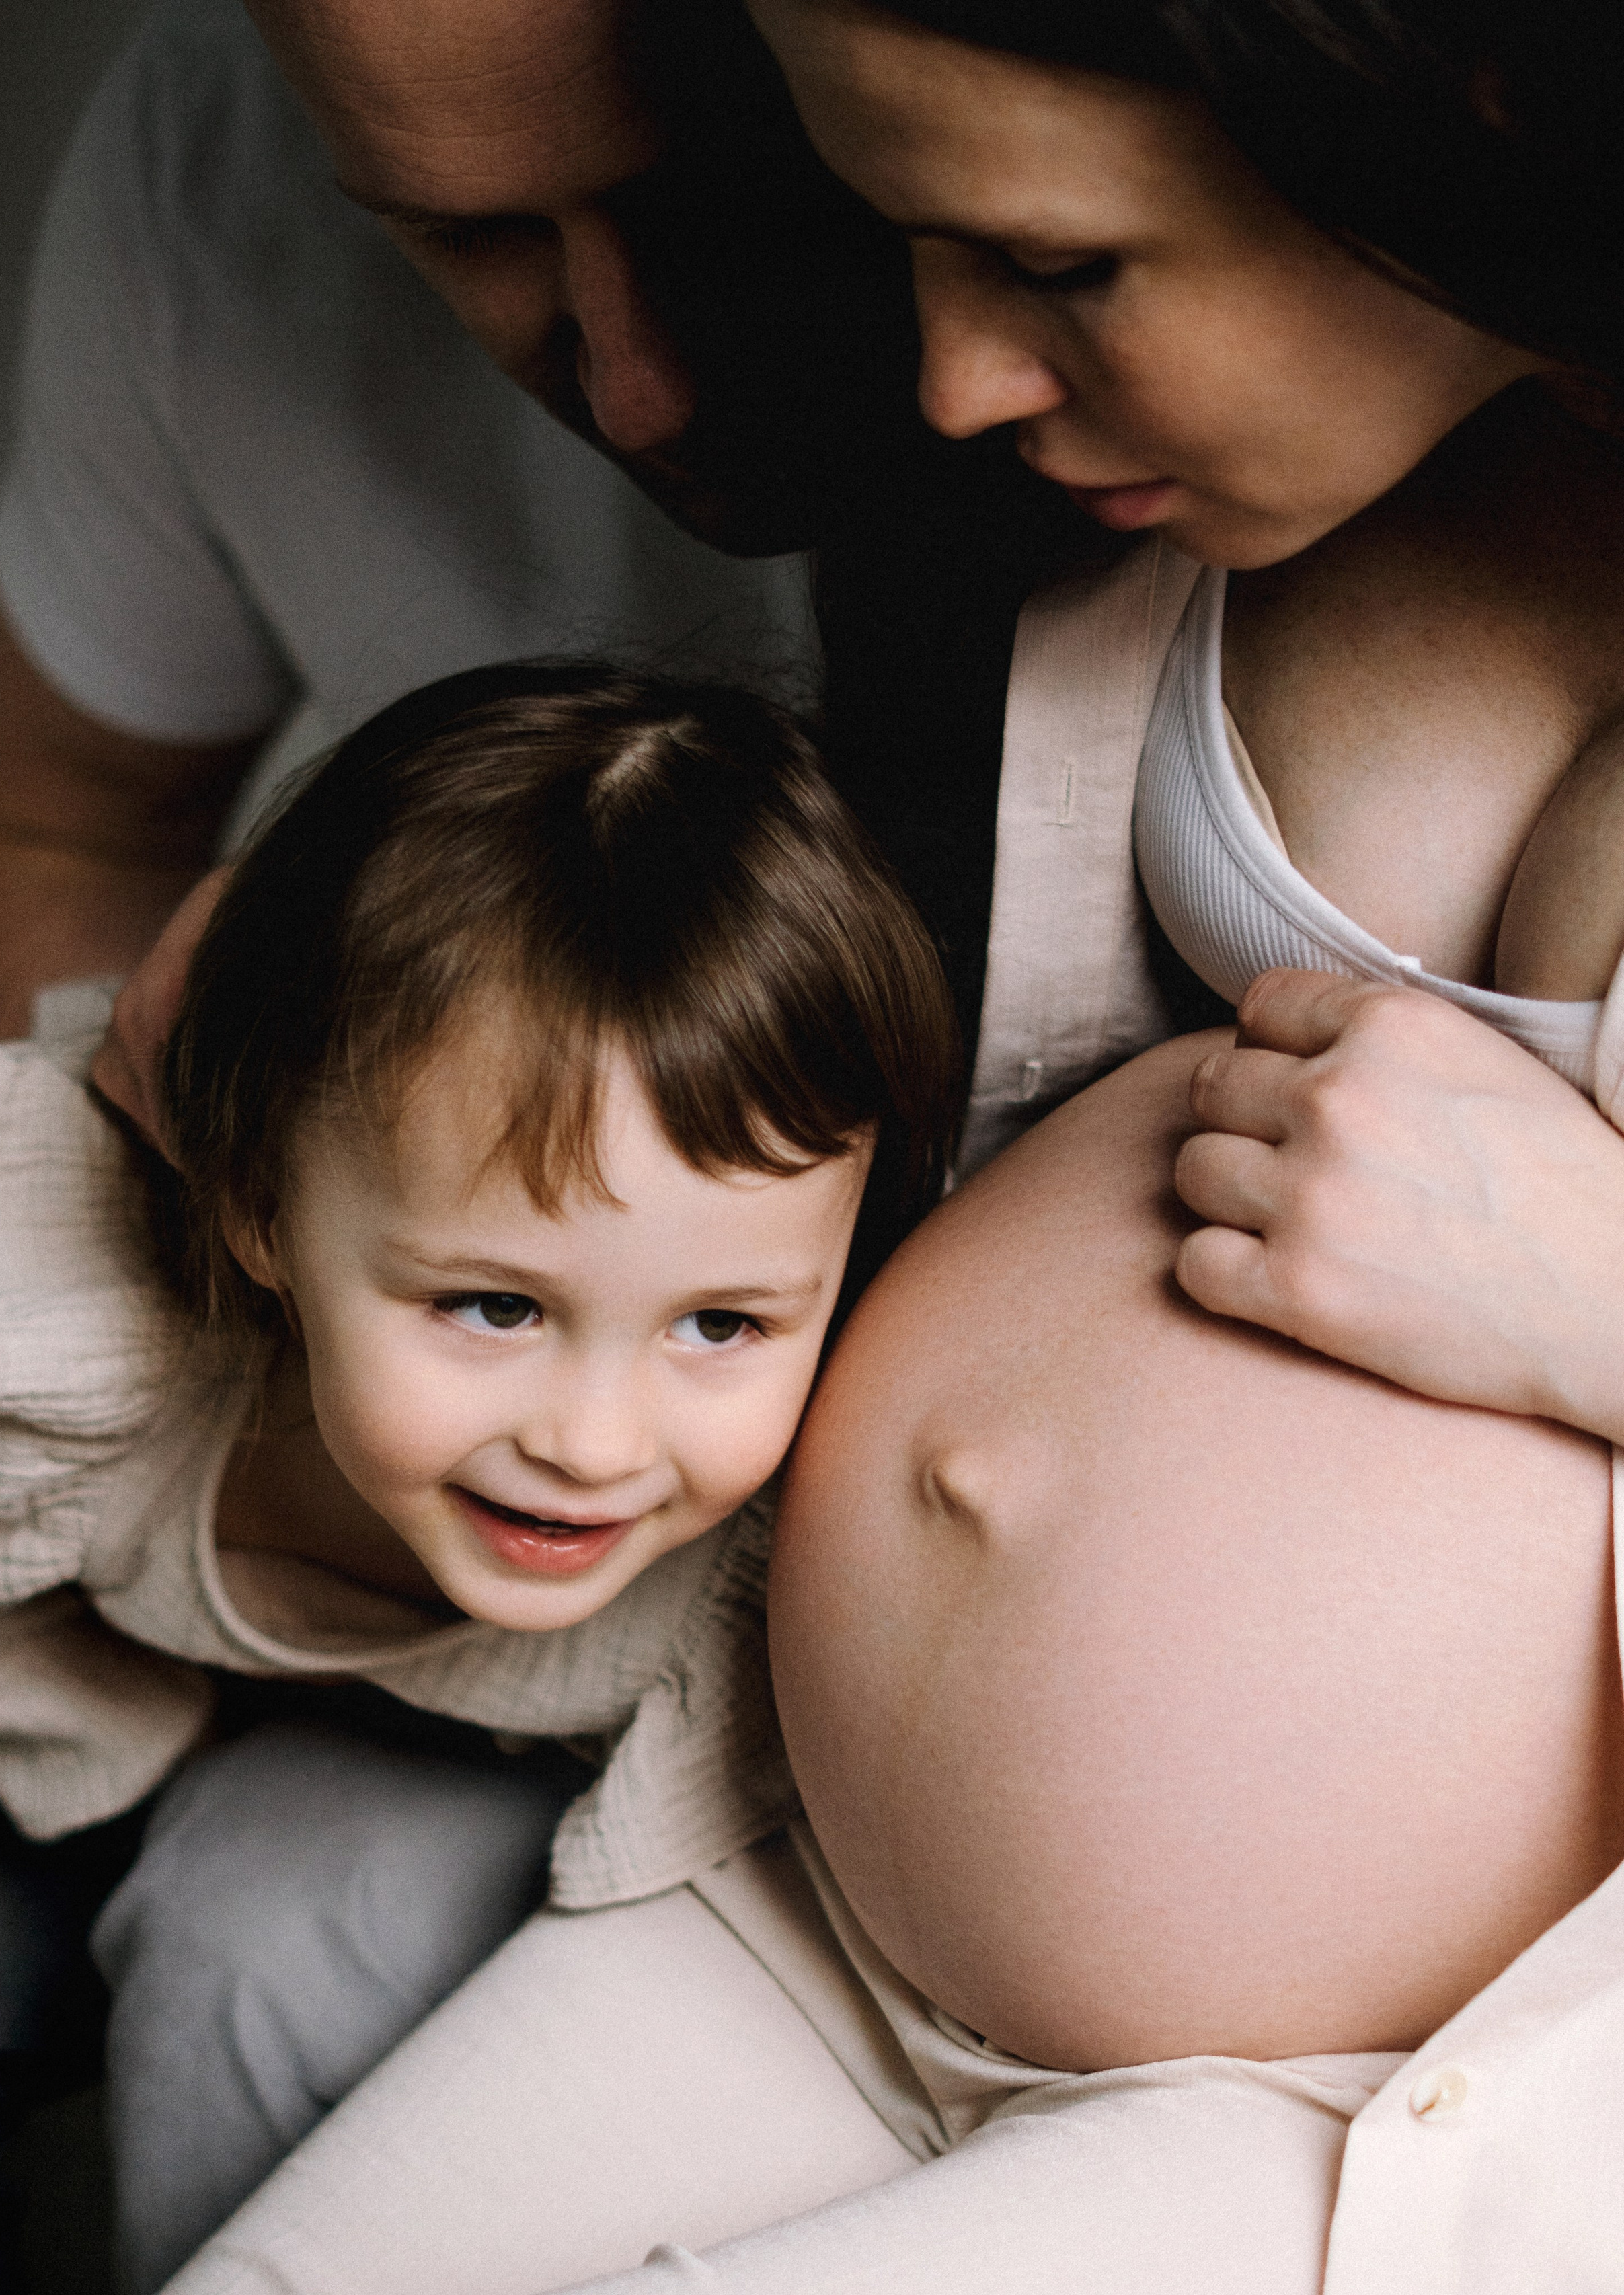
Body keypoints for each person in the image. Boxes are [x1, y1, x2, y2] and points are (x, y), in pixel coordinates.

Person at [148, 3, 1624, 2290]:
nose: (950, 375)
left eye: (1062, 261)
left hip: (1376, 2097)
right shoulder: (1201, 469)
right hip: (791, 1876)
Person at [0, 1, 927, 2282]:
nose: (640, 380)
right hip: (132, 1560)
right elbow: (45, 824)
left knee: (284, 1948)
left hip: (542, 1744)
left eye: (718, 208)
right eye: (465, 238)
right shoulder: (202, 159)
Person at [0, 664, 958, 2290]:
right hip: (85, 1716)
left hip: (489, 1826)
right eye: (493, 1306)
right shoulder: (65, 1335)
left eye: (722, 1322)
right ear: (253, 1208)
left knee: (270, 1938)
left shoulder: (765, 1569)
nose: (594, 1443)